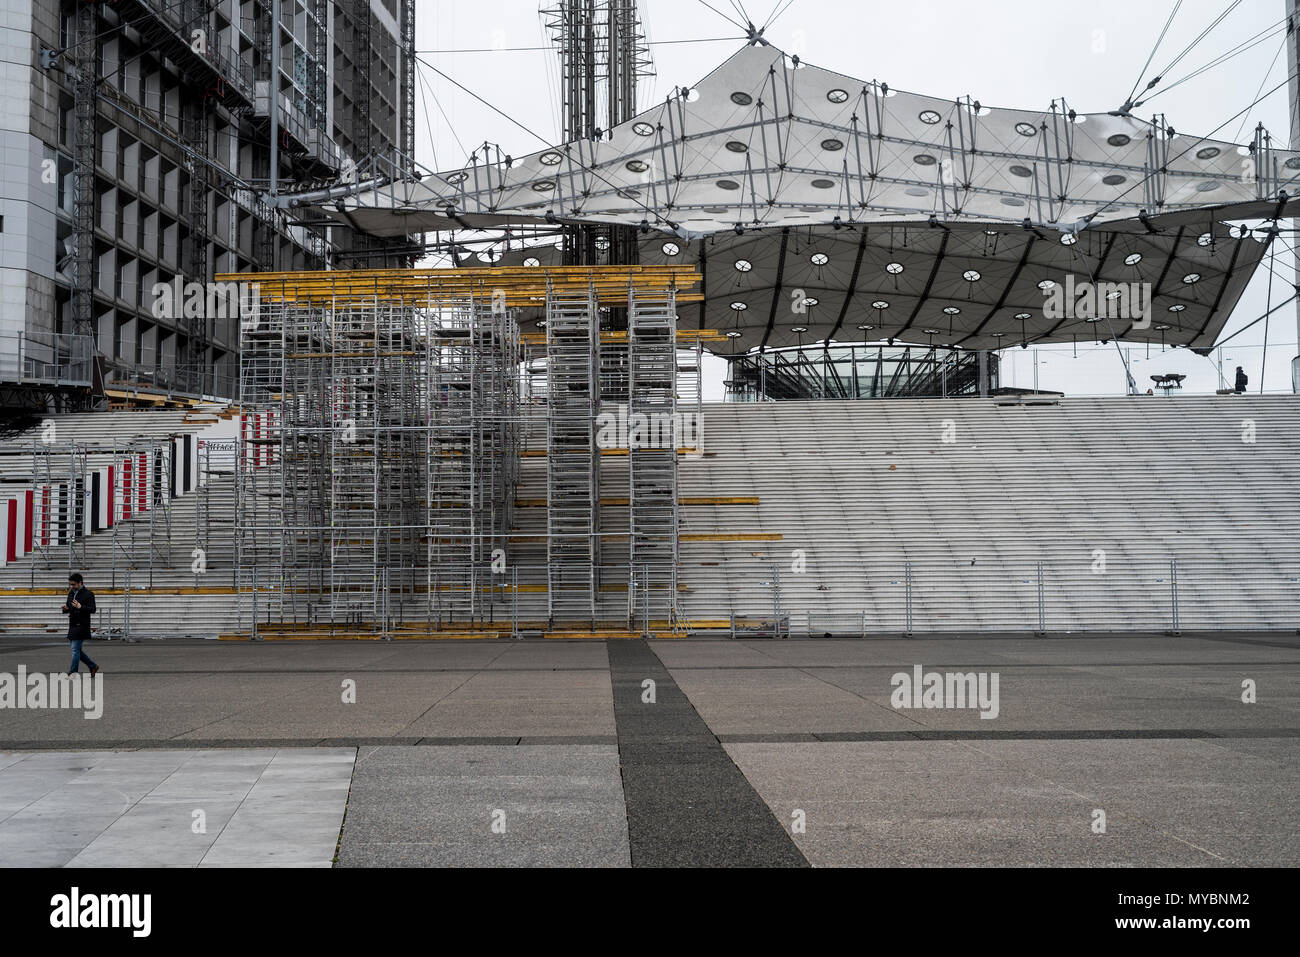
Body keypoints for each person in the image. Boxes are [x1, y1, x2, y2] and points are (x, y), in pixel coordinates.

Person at [62, 572, 99, 676]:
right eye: (70, 584)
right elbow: (70, 606)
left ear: (80, 583)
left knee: (74, 649)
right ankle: (93, 666)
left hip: (82, 625)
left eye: (73, 584)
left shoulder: (89, 594)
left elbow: (93, 609)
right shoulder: (71, 593)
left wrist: (80, 607)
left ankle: (73, 672)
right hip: (73, 624)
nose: (71, 586)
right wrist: (66, 609)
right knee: (77, 650)